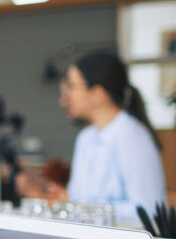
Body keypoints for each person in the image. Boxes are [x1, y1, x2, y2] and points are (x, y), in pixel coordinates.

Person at [16, 51, 165, 223]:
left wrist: (76, 207)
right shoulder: (86, 137)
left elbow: (148, 211)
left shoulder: (132, 137)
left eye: (72, 86)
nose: (65, 97)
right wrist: (62, 201)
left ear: (98, 93)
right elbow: (79, 200)